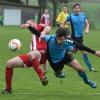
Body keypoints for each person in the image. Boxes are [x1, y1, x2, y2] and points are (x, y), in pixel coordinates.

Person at [25, 25, 100, 88]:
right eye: (60, 40)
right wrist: (29, 27)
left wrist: (94, 52)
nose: (62, 41)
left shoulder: (67, 40)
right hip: (54, 61)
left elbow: (79, 45)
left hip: (64, 56)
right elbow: (37, 33)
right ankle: (58, 73)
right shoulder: (49, 38)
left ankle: (87, 81)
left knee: (80, 69)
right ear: (56, 37)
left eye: (63, 39)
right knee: (59, 74)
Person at [2, 23, 51, 94]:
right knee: (9, 64)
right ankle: (8, 89)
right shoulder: (33, 37)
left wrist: (43, 32)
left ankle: (41, 77)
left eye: (29, 23)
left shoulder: (39, 27)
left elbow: (48, 27)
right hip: (34, 57)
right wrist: (45, 67)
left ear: (33, 23)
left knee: (31, 54)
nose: (27, 25)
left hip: (40, 53)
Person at [64, 3, 96, 72]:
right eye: (75, 8)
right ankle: (90, 68)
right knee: (83, 52)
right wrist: (63, 30)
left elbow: (87, 23)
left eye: (78, 8)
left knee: (75, 51)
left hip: (80, 38)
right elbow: (63, 23)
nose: (77, 9)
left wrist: (87, 29)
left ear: (80, 9)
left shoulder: (83, 15)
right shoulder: (70, 16)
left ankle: (65, 48)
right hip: (74, 38)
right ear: (73, 9)